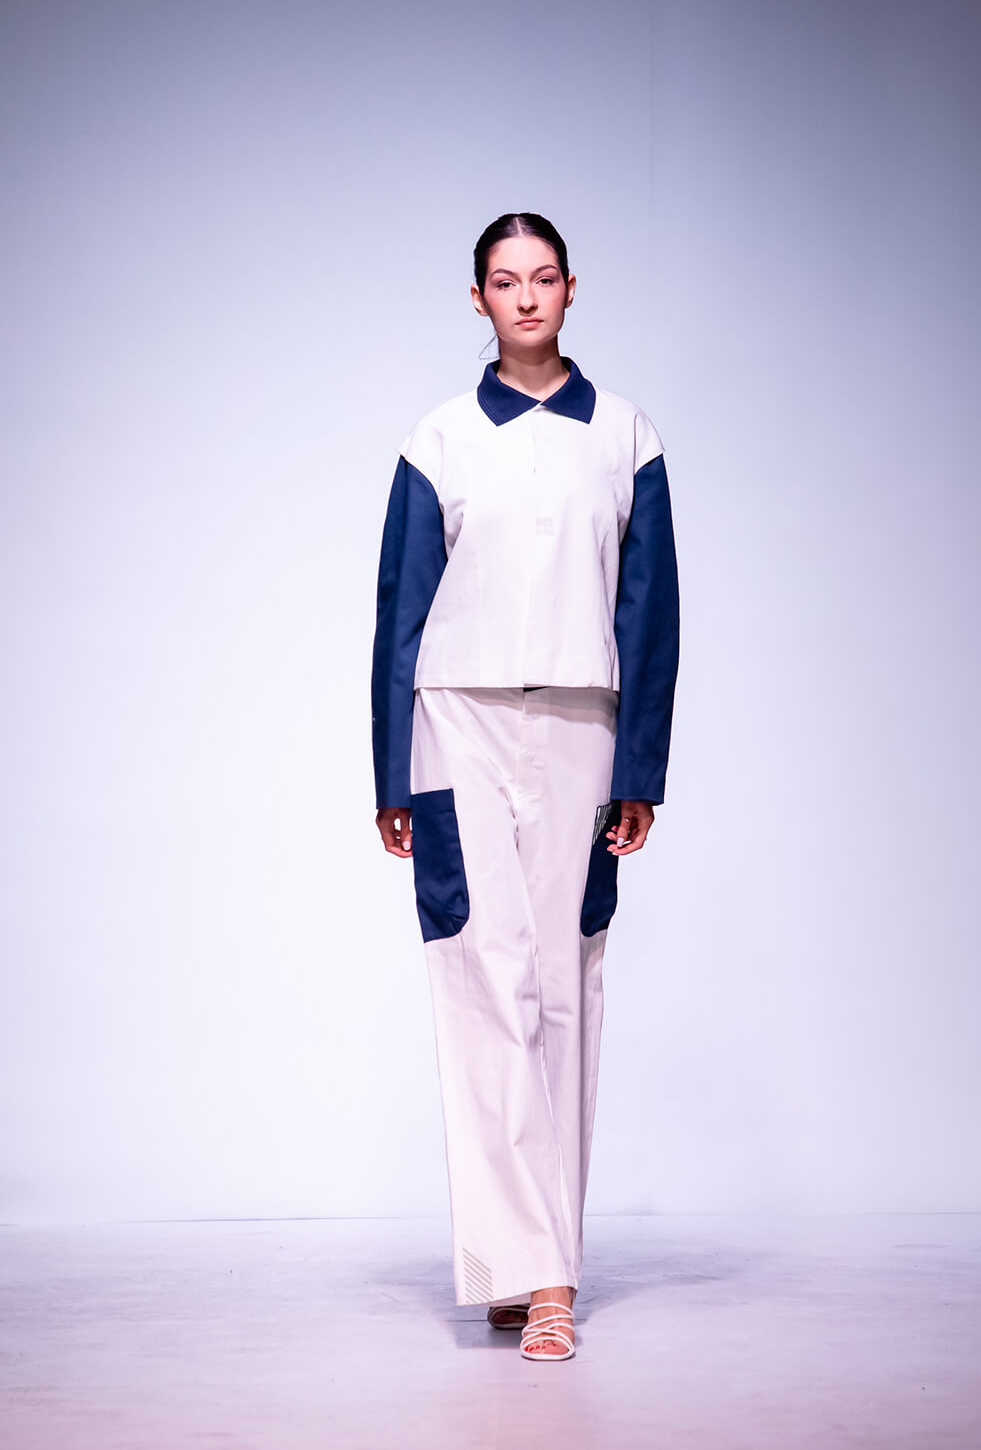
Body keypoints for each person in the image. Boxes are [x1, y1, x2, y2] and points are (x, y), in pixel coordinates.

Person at [370, 212, 680, 1361]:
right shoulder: (440, 439)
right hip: (455, 722)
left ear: (570, 288)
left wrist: (641, 766)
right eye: (505, 282)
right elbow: (399, 611)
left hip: (581, 725)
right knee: (479, 978)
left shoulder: (625, 436)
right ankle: (530, 1274)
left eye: (543, 278)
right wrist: (389, 767)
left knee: (560, 982)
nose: (527, 297)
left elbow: (650, 614)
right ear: (479, 300)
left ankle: (540, 1265)